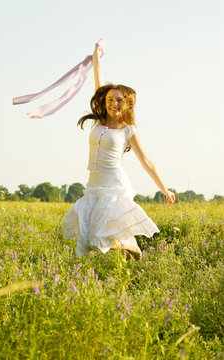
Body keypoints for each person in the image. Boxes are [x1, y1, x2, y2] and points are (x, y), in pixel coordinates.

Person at [63, 44, 175, 260]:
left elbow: (147, 162)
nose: (114, 103)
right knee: (88, 235)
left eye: (119, 100)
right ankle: (128, 255)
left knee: (103, 234)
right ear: (105, 102)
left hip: (114, 186)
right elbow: (99, 82)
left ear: (126, 104)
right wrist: (96, 58)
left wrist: (164, 188)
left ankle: (131, 249)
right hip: (94, 184)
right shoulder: (99, 121)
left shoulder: (128, 130)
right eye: (110, 99)